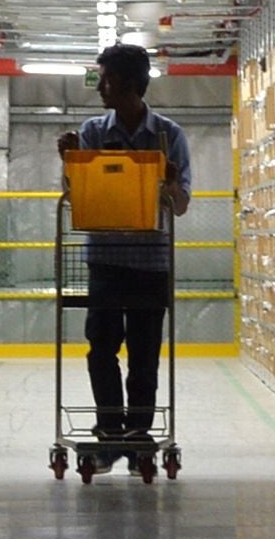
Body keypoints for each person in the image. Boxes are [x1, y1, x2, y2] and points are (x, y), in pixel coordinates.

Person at [59, 41, 193, 447]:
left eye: (107, 79)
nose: (100, 87)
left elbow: (182, 205)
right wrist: (69, 162)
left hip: (150, 264)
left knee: (144, 354)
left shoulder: (169, 135)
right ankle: (110, 430)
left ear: (131, 84)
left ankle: (138, 436)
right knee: (101, 349)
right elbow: (76, 196)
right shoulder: (93, 132)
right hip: (105, 260)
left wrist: (168, 182)